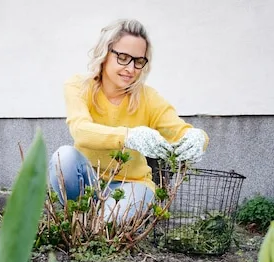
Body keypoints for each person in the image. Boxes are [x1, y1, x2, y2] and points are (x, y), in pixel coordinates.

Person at [50, 18, 209, 223]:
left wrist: (198, 138)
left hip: (133, 184)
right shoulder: (79, 86)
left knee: (104, 225)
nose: (131, 69)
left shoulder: (148, 98)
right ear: (105, 53)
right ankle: (81, 217)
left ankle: (90, 222)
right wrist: (128, 136)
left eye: (139, 61)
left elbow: (181, 130)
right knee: (64, 157)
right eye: (123, 57)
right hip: (87, 180)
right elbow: (80, 130)